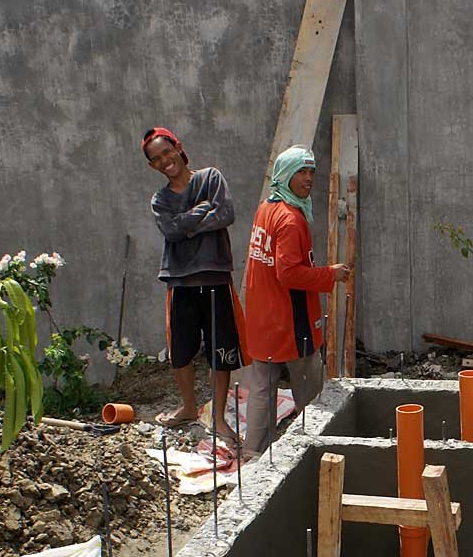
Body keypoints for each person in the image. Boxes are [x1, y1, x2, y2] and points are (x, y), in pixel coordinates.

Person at [244, 145, 349, 454]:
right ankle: (317, 447)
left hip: (262, 316)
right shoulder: (291, 220)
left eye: (311, 171)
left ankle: (254, 453)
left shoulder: (266, 208)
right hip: (291, 319)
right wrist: (330, 274)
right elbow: (288, 274)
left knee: (262, 388)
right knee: (312, 388)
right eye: (301, 172)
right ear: (285, 174)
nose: (308, 178)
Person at [143, 126, 246, 443]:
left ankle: (217, 418)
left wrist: (186, 222)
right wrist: (203, 210)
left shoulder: (211, 177)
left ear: (178, 147)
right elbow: (171, 232)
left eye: (166, 152)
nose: (164, 161)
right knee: (181, 351)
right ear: (153, 166)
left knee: (221, 351)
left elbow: (225, 214)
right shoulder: (160, 199)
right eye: (156, 159)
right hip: (180, 281)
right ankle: (189, 407)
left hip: (215, 278)